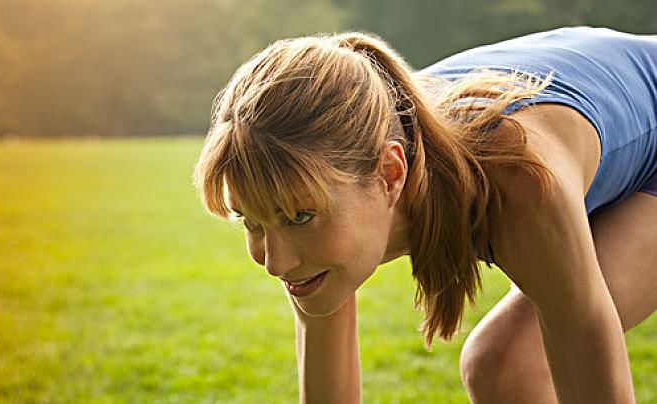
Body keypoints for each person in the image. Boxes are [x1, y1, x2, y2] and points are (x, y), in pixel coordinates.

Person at [193, 26, 657, 403]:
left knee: (506, 363)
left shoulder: (520, 183)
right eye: (252, 222)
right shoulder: (334, 175)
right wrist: (294, 220)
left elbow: (594, 378)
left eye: (298, 218)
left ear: (390, 172)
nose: (276, 262)